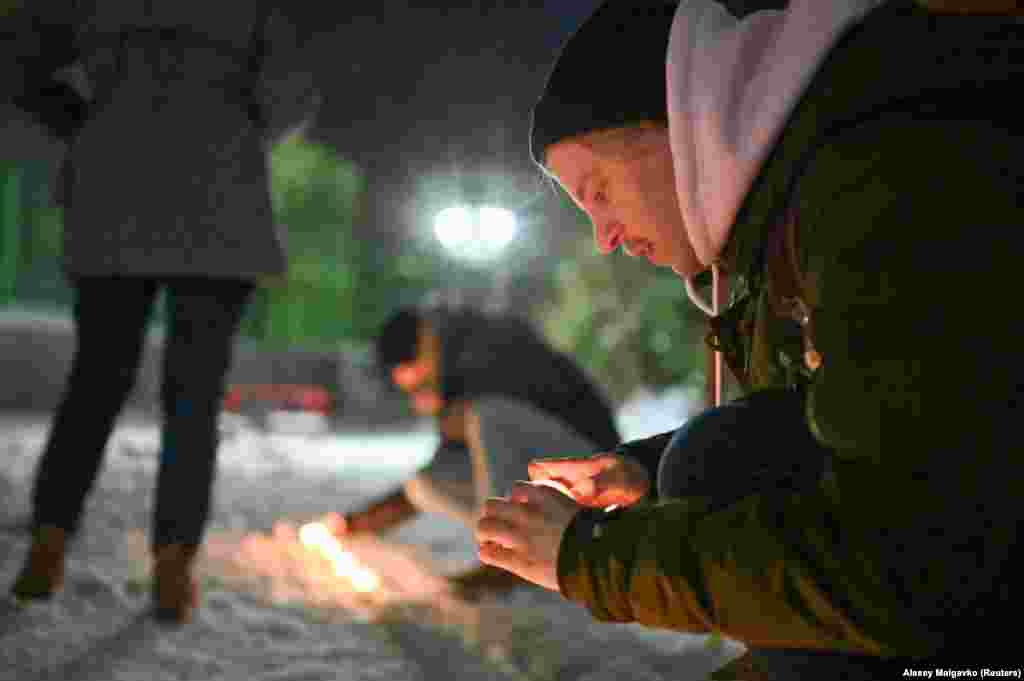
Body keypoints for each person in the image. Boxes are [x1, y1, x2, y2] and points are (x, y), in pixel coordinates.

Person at [476, 0, 1023, 674]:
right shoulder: (798, 210)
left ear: (681, 123)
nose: (605, 237)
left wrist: (587, 558)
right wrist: (640, 469)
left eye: (599, 191)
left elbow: (906, 557)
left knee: (717, 463)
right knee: (710, 458)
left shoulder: (888, 182)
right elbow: (858, 425)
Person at [5, 1, 318, 624]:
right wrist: (233, 127)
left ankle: (48, 545)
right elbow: (291, 94)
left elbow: (23, 61)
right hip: (218, 201)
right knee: (194, 398)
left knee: (95, 383)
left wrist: (91, 124)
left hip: (114, 189)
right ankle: (173, 568)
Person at [327, 304, 621, 597]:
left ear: (424, 343)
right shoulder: (449, 374)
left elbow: (504, 417)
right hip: (547, 477)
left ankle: (509, 556)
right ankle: (530, 542)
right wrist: (356, 522)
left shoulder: (484, 345)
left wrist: (451, 412)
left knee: (485, 414)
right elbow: (446, 463)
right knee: (425, 485)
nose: (416, 392)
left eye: (417, 383)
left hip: (594, 470)